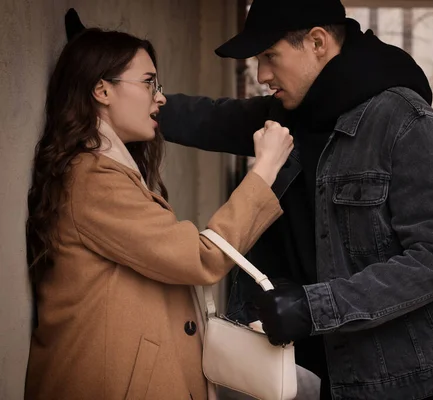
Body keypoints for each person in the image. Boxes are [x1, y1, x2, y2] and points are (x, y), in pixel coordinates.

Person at [67, 2, 433, 398]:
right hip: (340, 378)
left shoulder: (409, 125)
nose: (261, 73)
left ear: (318, 43)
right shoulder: (297, 109)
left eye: (270, 55)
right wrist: (103, 71)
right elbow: (209, 118)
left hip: (417, 383)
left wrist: (314, 306)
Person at [24, 26, 293, 400]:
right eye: (149, 83)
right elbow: (204, 257)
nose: (160, 97)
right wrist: (264, 171)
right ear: (101, 90)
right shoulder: (93, 178)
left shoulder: (104, 171)